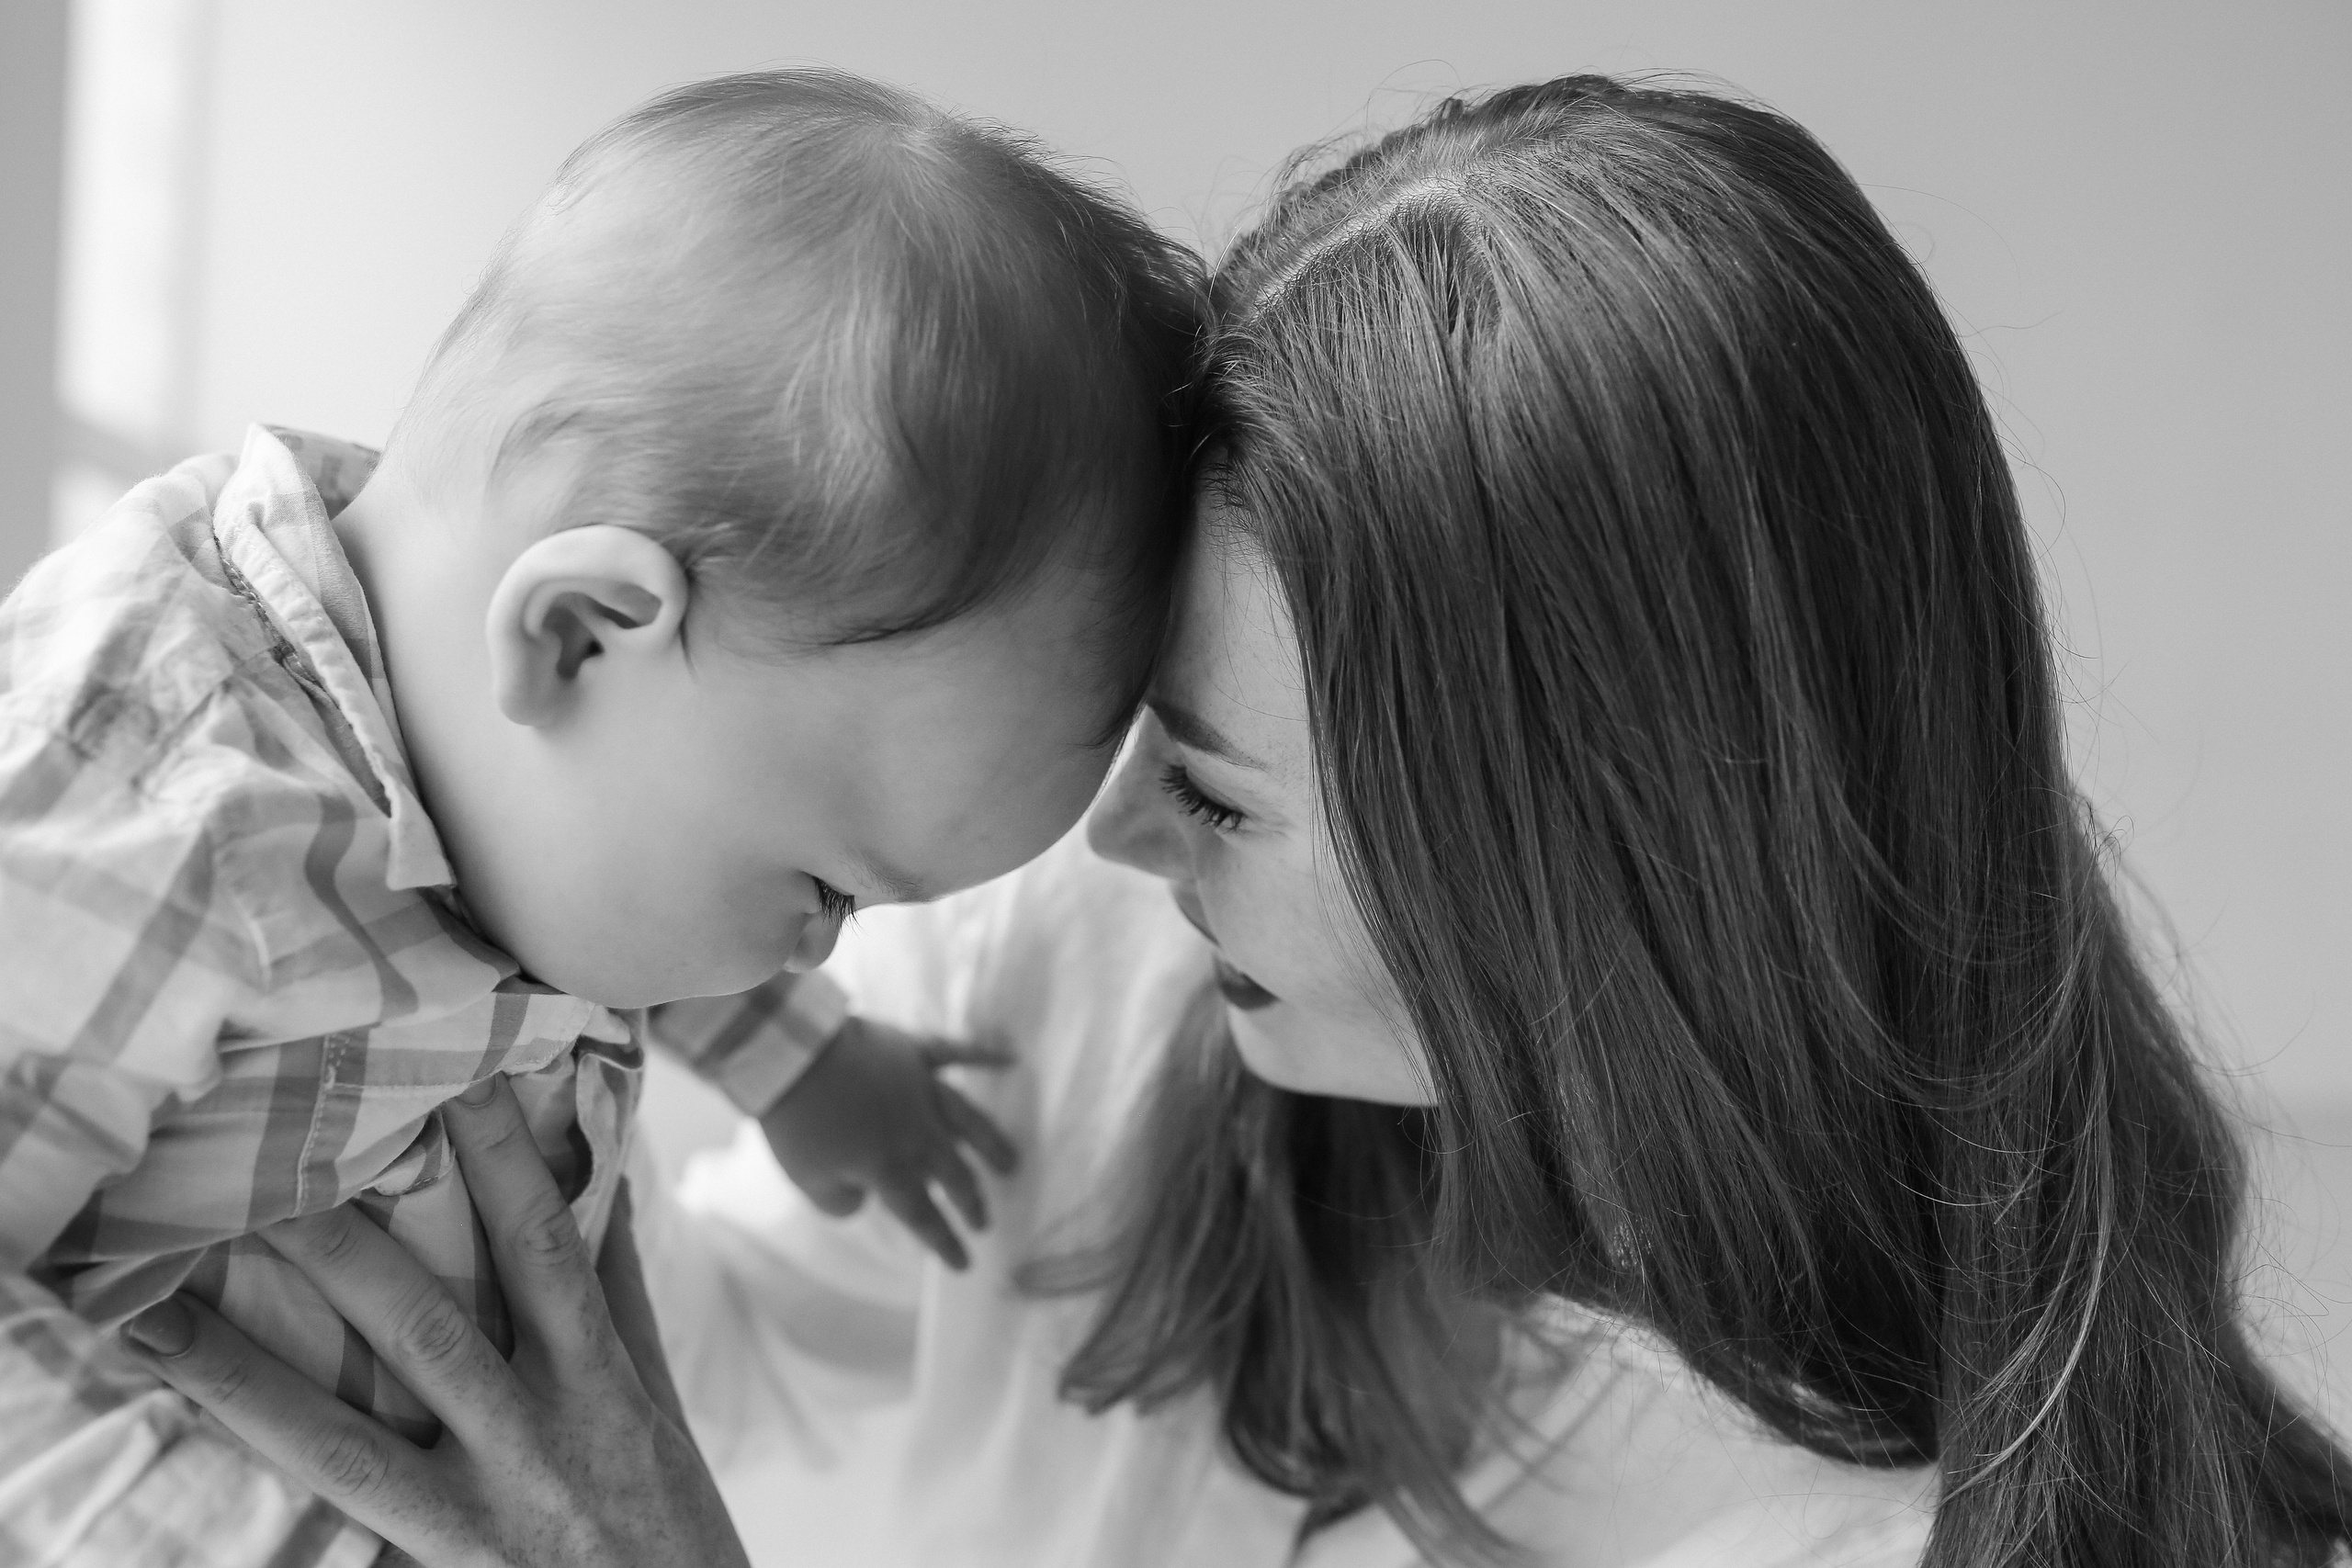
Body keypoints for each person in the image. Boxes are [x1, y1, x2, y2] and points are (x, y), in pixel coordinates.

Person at [124, 74, 2352, 1568]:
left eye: (1210, 784)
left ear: (1559, 867)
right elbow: (651, 1317)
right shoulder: (1087, 985)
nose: (1110, 838)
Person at [0, 68, 1198, 1567]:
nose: (815, 952)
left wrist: (803, 1063)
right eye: (827, 888)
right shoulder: (158, 799)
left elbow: (593, 897)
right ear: (576, 635)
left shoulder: (488, 757)